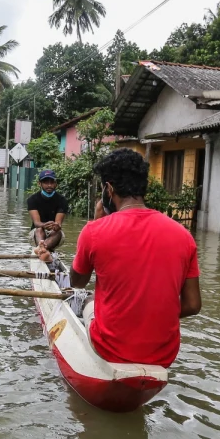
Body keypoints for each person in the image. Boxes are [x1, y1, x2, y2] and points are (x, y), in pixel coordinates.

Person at [69, 149, 201, 368]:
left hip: (110, 348)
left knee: (88, 299)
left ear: (108, 189)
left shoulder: (94, 231)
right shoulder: (183, 235)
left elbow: (77, 282)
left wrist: (94, 222)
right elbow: (193, 305)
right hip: (164, 354)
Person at [27, 169, 68, 253]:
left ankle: (41, 249)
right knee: (39, 229)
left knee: (57, 232)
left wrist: (56, 225)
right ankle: (43, 249)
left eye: (52, 182)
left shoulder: (62, 200)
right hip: (36, 233)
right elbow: (36, 223)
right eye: (46, 182)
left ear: (55, 184)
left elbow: (58, 223)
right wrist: (44, 225)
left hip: (54, 233)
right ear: (39, 183)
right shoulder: (32, 200)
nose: (49, 185)